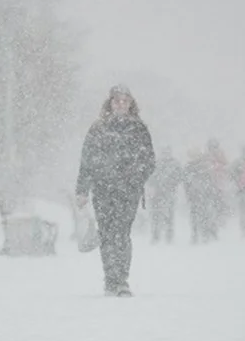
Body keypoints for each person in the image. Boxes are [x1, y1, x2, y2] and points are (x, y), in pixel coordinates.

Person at [75, 84, 156, 296]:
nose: (121, 104)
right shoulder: (98, 128)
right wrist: (82, 190)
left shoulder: (139, 129)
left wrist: (134, 178)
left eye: (125, 100)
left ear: (131, 104)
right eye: (117, 100)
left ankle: (121, 280)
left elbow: (149, 161)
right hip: (102, 190)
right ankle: (110, 279)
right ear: (110, 103)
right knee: (107, 234)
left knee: (122, 233)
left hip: (128, 192)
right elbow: (87, 160)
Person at [147, 147, 183, 244]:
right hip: (157, 193)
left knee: (168, 215)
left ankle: (168, 235)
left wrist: (171, 184)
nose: (165, 154)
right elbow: (150, 177)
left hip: (167, 193)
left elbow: (179, 177)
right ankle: (156, 235)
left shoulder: (174, 164)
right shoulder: (157, 163)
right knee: (156, 215)